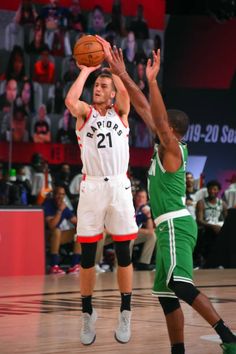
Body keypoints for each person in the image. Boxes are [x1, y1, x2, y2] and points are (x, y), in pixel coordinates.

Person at [96, 37, 236, 354]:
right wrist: (127, 76)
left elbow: (155, 117)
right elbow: (146, 110)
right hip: (166, 227)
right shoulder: (167, 146)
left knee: (180, 285)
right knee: (166, 293)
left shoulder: (172, 148)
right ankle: (178, 351)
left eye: (161, 127)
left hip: (175, 225)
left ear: (171, 131)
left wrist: (153, 82)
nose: (154, 126)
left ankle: (228, 338)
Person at [65, 55, 138, 345]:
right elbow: (71, 101)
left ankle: (126, 311)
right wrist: (86, 71)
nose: (98, 87)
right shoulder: (85, 113)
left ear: (111, 93)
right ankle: (86, 314)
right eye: (96, 84)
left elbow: (125, 93)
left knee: (123, 255)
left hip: (119, 186)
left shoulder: (121, 112)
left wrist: (113, 67)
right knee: (87, 257)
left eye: (103, 85)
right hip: (92, 186)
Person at [43, 185, 81, 274]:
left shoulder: (64, 206)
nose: (60, 197)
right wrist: (59, 211)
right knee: (56, 230)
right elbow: (52, 225)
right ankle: (54, 265)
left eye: (63, 194)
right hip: (45, 236)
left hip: (58, 236)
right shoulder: (48, 204)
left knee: (80, 231)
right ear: (54, 195)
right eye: (58, 194)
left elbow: (75, 221)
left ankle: (74, 265)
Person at [131, 188, 156, 270]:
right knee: (129, 238)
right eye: (138, 196)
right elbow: (128, 227)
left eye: (143, 197)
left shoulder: (144, 210)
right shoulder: (130, 207)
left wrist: (148, 216)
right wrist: (144, 231)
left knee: (152, 236)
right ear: (135, 198)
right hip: (125, 233)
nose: (140, 199)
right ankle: (126, 263)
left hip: (135, 235)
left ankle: (143, 263)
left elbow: (150, 230)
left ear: (146, 200)